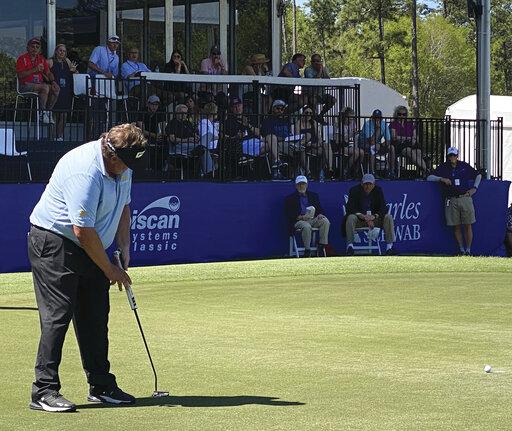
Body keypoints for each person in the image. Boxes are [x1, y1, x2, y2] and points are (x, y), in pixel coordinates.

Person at [27, 123, 147, 412]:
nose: (128, 169)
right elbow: (82, 230)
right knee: (58, 315)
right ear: (112, 154)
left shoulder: (124, 165)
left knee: (94, 315)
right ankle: (43, 391)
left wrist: (124, 246)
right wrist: (110, 270)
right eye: (126, 163)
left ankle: (101, 386)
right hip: (55, 241)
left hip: (89, 245)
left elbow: (124, 207)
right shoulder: (86, 170)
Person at [427, 147, 481, 255]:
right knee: (456, 226)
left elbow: (478, 175)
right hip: (451, 200)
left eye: (454, 155)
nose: (452, 157)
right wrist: (441, 179)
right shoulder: (443, 167)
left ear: (457, 156)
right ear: (448, 156)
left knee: (468, 225)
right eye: (450, 155)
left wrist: (474, 188)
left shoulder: (464, 166)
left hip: (464, 198)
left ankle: (468, 250)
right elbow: (429, 177)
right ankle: (461, 249)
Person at [344, 173, 396, 256]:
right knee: (350, 217)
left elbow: (383, 208)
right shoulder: (354, 190)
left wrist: (374, 217)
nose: (367, 186)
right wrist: (363, 216)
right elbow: (350, 208)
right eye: (365, 184)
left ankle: (389, 248)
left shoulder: (378, 190)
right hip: (359, 219)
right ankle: (350, 247)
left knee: (388, 217)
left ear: (374, 184)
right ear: (361, 183)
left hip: (374, 219)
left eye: (370, 184)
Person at [16, 37, 60, 124]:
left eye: (37, 47)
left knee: (56, 89)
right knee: (44, 87)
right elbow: (20, 75)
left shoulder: (41, 59)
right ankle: (42, 113)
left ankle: (48, 112)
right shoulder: (22, 58)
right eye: (32, 46)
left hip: (38, 85)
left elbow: (48, 73)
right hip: (25, 85)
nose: (35, 49)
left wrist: (53, 81)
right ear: (28, 48)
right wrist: (35, 69)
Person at [284, 175, 330, 257]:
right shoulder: (290, 198)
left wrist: (320, 214)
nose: (301, 186)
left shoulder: (313, 195)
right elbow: (288, 214)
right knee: (306, 226)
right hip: (299, 221)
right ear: (296, 185)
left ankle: (321, 246)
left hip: (312, 219)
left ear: (307, 185)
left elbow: (320, 209)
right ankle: (307, 250)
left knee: (325, 221)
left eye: (303, 184)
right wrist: (301, 217)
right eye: (299, 184)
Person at [261, 99, 307, 180]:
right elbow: (268, 136)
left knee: (301, 148)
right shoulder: (267, 121)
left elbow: (289, 134)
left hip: (288, 143)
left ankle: (305, 172)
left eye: (282, 109)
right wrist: (284, 138)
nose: (280, 110)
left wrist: (293, 138)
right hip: (277, 144)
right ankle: (277, 172)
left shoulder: (286, 121)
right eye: (278, 108)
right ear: (273, 109)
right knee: (273, 148)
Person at [166, 103, 214, 177]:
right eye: (182, 113)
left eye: (186, 113)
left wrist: (196, 137)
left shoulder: (188, 123)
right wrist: (187, 140)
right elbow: (172, 139)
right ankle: (210, 174)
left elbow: (193, 134)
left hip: (192, 145)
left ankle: (200, 149)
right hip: (179, 147)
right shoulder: (172, 123)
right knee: (204, 149)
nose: (184, 115)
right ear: (177, 113)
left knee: (209, 136)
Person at [222, 97, 264, 178]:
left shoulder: (249, 118)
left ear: (242, 106)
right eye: (234, 106)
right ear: (231, 109)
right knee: (271, 144)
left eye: (239, 105)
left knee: (271, 140)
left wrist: (248, 125)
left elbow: (259, 133)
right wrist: (236, 136)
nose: (237, 108)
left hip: (256, 142)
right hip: (242, 145)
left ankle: (274, 166)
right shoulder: (228, 122)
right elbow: (226, 137)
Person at [48, 44, 77, 140]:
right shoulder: (50, 61)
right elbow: (44, 73)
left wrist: (73, 70)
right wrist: (50, 82)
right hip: (55, 91)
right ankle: (52, 137)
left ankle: (60, 136)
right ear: (56, 51)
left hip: (66, 91)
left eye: (64, 51)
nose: (62, 52)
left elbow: (75, 72)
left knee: (64, 114)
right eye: (60, 50)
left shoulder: (67, 61)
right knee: (55, 114)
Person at [389, 105, 427, 176]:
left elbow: (415, 136)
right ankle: (427, 170)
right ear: (396, 114)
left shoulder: (410, 124)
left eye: (404, 114)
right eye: (399, 114)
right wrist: (408, 138)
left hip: (411, 143)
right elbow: (394, 137)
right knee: (409, 151)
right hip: (400, 145)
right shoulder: (393, 124)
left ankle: (423, 172)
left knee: (418, 152)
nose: (402, 116)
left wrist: (413, 139)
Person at [359, 109, 396, 178]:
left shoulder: (384, 124)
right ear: (372, 117)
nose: (377, 119)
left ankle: (392, 171)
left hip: (377, 144)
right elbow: (370, 141)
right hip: (364, 144)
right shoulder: (367, 124)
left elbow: (388, 140)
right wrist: (378, 129)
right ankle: (372, 172)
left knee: (392, 148)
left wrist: (381, 144)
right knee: (373, 147)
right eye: (375, 117)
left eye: (379, 118)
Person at [303, 54, 336, 124]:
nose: (316, 63)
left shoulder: (323, 69)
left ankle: (320, 115)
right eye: (314, 61)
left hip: (321, 94)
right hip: (311, 93)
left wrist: (323, 70)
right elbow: (314, 82)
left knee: (332, 100)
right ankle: (314, 118)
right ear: (311, 62)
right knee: (313, 100)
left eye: (317, 61)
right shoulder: (308, 70)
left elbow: (328, 80)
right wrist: (320, 70)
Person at [136, 95, 166, 171]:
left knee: (165, 144)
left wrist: (162, 135)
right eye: (152, 104)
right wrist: (155, 135)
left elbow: (163, 127)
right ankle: (144, 168)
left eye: (156, 105)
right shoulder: (142, 112)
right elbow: (142, 130)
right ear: (148, 104)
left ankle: (161, 168)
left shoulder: (160, 112)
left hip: (155, 136)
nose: (154, 107)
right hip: (142, 137)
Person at [335, 106, 365, 179]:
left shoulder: (353, 124)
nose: (351, 120)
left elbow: (355, 134)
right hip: (342, 146)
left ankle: (356, 170)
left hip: (352, 145)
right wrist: (350, 135)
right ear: (345, 117)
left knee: (361, 152)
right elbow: (337, 140)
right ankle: (345, 170)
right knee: (356, 153)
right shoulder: (340, 126)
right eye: (350, 118)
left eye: (352, 118)